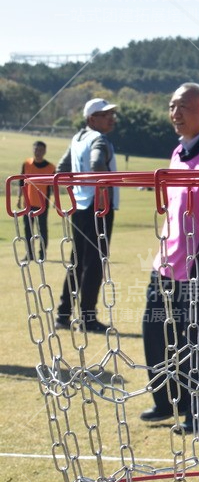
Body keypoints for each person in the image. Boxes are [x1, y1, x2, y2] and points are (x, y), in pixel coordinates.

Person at [140, 83, 199, 434]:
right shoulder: (178, 152)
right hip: (167, 259)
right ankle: (165, 401)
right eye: (172, 106)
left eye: (184, 107)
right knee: (153, 328)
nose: (176, 113)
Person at [55, 98, 120, 333]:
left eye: (112, 114)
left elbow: (61, 169)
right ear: (92, 119)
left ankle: (63, 314)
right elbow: (96, 165)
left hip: (80, 206)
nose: (112, 118)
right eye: (106, 114)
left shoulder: (78, 138)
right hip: (98, 206)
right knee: (94, 263)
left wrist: (78, 188)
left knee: (77, 261)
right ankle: (88, 318)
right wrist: (102, 186)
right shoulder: (99, 139)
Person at [18, 140, 55, 260]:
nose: (37, 152)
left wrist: (55, 201)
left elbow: (53, 186)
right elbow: (21, 182)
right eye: (36, 149)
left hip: (42, 204)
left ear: (44, 151)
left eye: (40, 150)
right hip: (27, 203)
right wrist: (19, 198)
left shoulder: (51, 168)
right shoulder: (26, 164)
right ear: (33, 150)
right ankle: (29, 254)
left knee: (42, 229)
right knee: (28, 229)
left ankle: (42, 254)